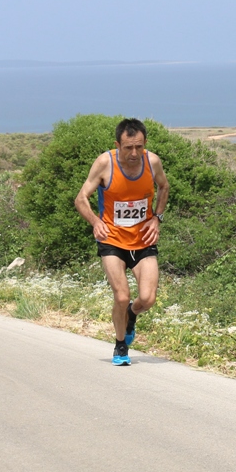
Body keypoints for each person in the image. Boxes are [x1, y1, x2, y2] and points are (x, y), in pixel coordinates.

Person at [75, 118, 170, 366]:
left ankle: (131, 315)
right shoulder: (105, 163)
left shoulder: (153, 161)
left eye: (139, 146)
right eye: (128, 147)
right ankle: (120, 346)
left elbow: (164, 186)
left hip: (143, 239)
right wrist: (96, 222)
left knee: (147, 299)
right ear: (118, 145)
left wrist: (157, 219)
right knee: (121, 296)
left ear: (145, 143)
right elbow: (81, 198)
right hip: (112, 240)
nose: (134, 153)